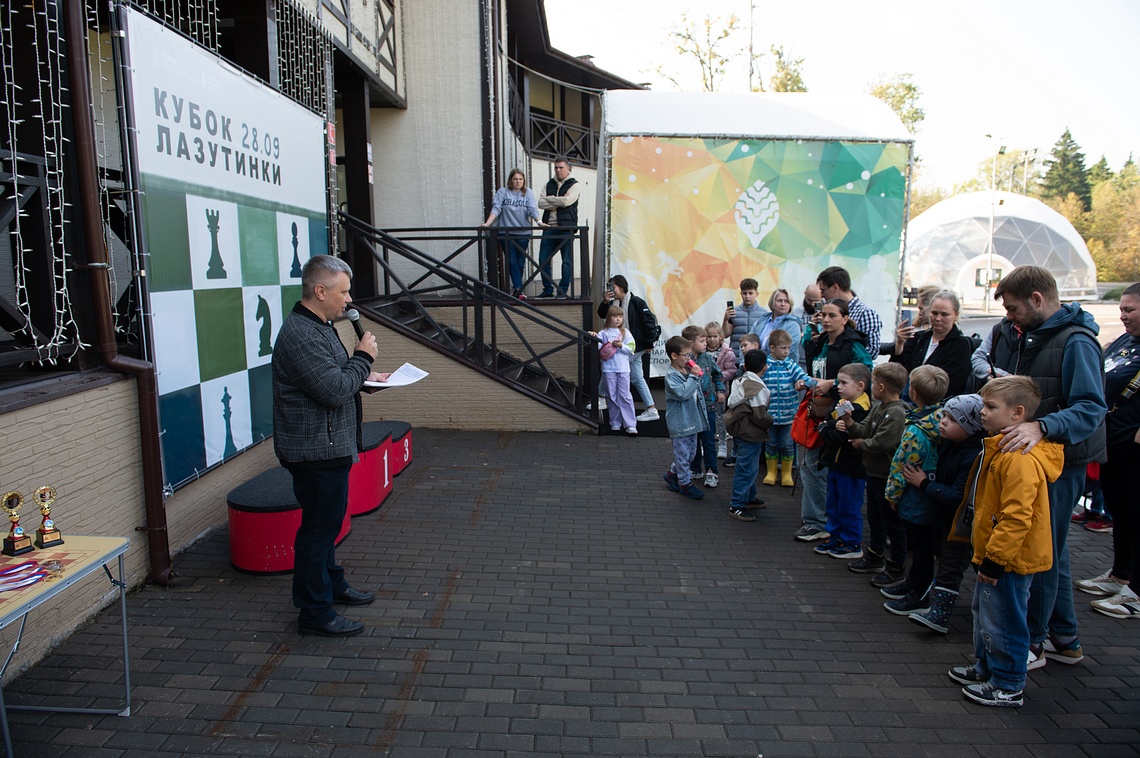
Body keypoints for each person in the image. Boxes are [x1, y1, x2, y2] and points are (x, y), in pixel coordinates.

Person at [992, 265, 1107, 668]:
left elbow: (1091, 406)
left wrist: (1041, 426)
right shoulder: (1035, 334)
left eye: (1013, 308)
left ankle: (1034, 642)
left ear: (1037, 300)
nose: (1009, 317)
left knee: (1038, 552)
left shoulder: (1076, 341)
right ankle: (1065, 637)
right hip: (1047, 460)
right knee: (1053, 552)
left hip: (1062, 463)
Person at [272, 255, 391, 637]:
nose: (349, 299)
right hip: (314, 452)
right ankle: (314, 613)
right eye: (343, 291)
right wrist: (363, 357)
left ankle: (332, 585)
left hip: (329, 446)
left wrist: (365, 376)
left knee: (326, 524)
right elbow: (334, 388)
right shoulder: (301, 335)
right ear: (320, 291)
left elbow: (338, 378)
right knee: (318, 531)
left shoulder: (320, 326)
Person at [947, 375, 1063, 708]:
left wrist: (996, 558)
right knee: (987, 615)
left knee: (1006, 621)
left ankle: (1008, 682)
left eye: (990, 406)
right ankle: (987, 667)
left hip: (1008, 560)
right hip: (993, 554)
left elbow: (1016, 517)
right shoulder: (1000, 448)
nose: (982, 412)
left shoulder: (1018, 458)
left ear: (1018, 413)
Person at [1076, 282, 1140, 618]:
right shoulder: (1125, 342)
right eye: (1122, 309)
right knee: (1122, 513)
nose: (1123, 315)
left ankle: (1136, 594)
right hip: (1112, 443)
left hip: (1133, 448)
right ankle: (1120, 575)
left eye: (1129, 310)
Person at [795, 298, 874, 542]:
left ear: (845, 318)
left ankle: (818, 522)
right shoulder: (820, 342)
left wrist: (833, 384)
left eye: (832, 315)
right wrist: (807, 382)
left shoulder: (853, 345)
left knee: (815, 466)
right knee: (811, 465)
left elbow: (864, 376)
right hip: (819, 410)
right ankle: (819, 521)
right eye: (823, 315)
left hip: (839, 413)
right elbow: (810, 359)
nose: (826, 319)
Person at [907, 393, 986, 634]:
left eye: (951, 419)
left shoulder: (972, 456)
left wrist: (924, 484)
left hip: (962, 522)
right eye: (943, 416)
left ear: (969, 426)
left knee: (952, 564)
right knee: (950, 561)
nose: (942, 422)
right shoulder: (951, 444)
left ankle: (939, 615)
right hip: (947, 519)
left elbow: (957, 496)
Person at [882, 365, 950, 615]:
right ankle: (913, 583)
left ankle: (919, 593)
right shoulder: (941, 418)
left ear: (913, 392)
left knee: (921, 549)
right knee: (923, 546)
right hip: (929, 493)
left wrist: (892, 495)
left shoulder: (915, 431)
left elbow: (901, 466)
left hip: (915, 497)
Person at [845, 362, 910, 583]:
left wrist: (862, 443)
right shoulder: (878, 407)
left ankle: (897, 567)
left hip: (886, 476)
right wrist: (849, 421)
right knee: (875, 518)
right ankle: (875, 556)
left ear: (881, 386)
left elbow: (883, 442)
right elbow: (864, 427)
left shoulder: (896, 413)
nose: (871, 386)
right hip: (873, 472)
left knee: (892, 523)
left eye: (873, 382)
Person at [813, 362, 873, 559]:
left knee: (849, 505)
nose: (838, 386)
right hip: (836, 464)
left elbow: (840, 436)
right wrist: (828, 427)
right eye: (839, 382)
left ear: (860, 386)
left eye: (844, 383)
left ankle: (851, 542)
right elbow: (830, 422)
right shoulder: (842, 403)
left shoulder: (861, 409)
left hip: (851, 466)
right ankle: (836, 535)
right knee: (834, 503)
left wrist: (824, 429)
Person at [596, 275, 661, 422]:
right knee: (638, 378)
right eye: (610, 286)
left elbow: (648, 322)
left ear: (621, 287)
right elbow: (602, 315)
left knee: (609, 367)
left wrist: (650, 343)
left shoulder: (636, 302)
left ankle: (601, 398)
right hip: (621, 345)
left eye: (613, 286)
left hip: (633, 346)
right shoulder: (614, 304)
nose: (611, 289)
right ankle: (651, 409)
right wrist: (605, 301)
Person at [890, 290, 974, 398]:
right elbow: (896, 372)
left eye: (945, 314)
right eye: (934, 313)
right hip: (907, 400)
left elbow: (949, 384)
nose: (938, 318)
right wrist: (900, 344)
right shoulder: (918, 338)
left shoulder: (960, 345)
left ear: (956, 315)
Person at [761, 329, 816, 487]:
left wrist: (804, 383)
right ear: (772, 348)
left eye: (788, 348)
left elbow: (805, 378)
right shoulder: (766, 366)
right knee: (771, 443)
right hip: (769, 414)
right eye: (783, 348)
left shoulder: (791, 365)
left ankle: (786, 473)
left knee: (786, 443)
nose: (786, 352)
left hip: (788, 414)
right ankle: (771, 472)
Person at [725, 349, 773, 522]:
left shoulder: (740, 381)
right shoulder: (759, 388)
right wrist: (771, 423)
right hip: (751, 433)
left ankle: (750, 496)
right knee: (747, 469)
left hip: (739, 431)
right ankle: (737, 504)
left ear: (744, 366)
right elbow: (760, 416)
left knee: (748, 465)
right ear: (765, 368)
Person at [480, 168, 541, 299]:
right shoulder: (503, 192)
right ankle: (519, 289)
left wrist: (539, 221)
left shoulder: (528, 192)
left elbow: (532, 209)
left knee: (520, 262)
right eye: (515, 179)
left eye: (520, 179)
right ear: (510, 180)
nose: (518, 182)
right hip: (505, 233)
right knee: (511, 260)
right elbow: (496, 208)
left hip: (523, 233)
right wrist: (488, 223)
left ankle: (517, 289)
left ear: (523, 180)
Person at [662, 335, 709, 500]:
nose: (689, 358)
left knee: (690, 453)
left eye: (690, 355)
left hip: (692, 419)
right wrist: (694, 377)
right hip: (680, 421)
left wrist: (696, 376)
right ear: (674, 356)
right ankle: (685, 484)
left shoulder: (686, 370)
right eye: (686, 355)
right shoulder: (671, 375)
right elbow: (682, 393)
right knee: (682, 454)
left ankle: (672, 473)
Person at [682, 325, 725, 488]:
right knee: (692, 440)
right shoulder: (683, 361)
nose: (706, 342)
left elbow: (718, 374)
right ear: (690, 343)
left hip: (708, 407)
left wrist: (720, 390)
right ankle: (695, 468)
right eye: (702, 340)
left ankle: (712, 471)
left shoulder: (707, 358)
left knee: (708, 441)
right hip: (691, 408)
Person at [536, 157, 580, 298]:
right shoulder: (549, 184)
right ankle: (548, 290)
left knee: (566, 261)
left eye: (561, 167)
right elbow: (540, 203)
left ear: (568, 168)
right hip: (549, 227)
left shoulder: (575, 185)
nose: (558, 170)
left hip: (566, 228)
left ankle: (562, 291)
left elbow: (567, 202)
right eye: (556, 167)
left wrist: (550, 198)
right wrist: (559, 201)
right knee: (543, 260)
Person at [817, 265, 884, 357]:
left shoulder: (865, 313)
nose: (821, 295)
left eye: (823, 290)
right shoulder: (826, 308)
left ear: (835, 287)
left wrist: (842, 352)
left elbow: (872, 351)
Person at [598, 305, 637, 435]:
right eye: (615, 316)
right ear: (609, 318)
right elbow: (599, 348)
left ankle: (630, 424)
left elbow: (632, 349)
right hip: (608, 369)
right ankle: (615, 422)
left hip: (623, 368)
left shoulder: (626, 332)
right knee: (611, 395)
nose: (618, 319)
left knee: (625, 395)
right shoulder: (603, 333)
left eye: (620, 316)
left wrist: (621, 346)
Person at [706, 322, 738, 459]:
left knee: (720, 417)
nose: (712, 339)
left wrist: (717, 375)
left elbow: (731, 370)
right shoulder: (702, 351)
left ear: (720, 337)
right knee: (705, 418)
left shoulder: (727, 353)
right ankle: (705, 444)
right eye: (709, 336)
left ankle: (723, 444)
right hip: (704, 391)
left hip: (720, 390)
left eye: (715, 336)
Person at [723, 278, 769, 362]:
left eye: (750, 293)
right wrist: (725, 319)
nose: (747, 296)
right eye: (745, 293)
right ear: (741, 294)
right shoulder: (733, 312)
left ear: (757, 294)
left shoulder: (764, 314)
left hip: (756, 360)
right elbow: (725, 334)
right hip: (735, 358)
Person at [754, 288, 802, 356]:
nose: (783, 304)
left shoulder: (793, 325)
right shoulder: (761, 321)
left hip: (780, 365)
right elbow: (748, 341)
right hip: (756, 364)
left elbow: (788, 351)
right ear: (772, 303)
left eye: (786, 301)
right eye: (779, 301)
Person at [792, 283, 824, 369]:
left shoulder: (826, 312)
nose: (813, 304)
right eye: (809, 300)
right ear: (805, 294)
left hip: (820, 358)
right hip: (801, 359)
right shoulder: (795, 312)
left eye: (816, 301)